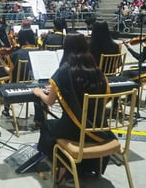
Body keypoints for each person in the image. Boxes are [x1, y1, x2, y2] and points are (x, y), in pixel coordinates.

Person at [32, 34, 115, 182]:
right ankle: (86, 167)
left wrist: (39, 93)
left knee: (47, 126)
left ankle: (62, 166)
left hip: (74, 131)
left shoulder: (64, 71)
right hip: (99, 128)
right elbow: (106, 98)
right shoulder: (97, 71)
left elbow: (49, 102)